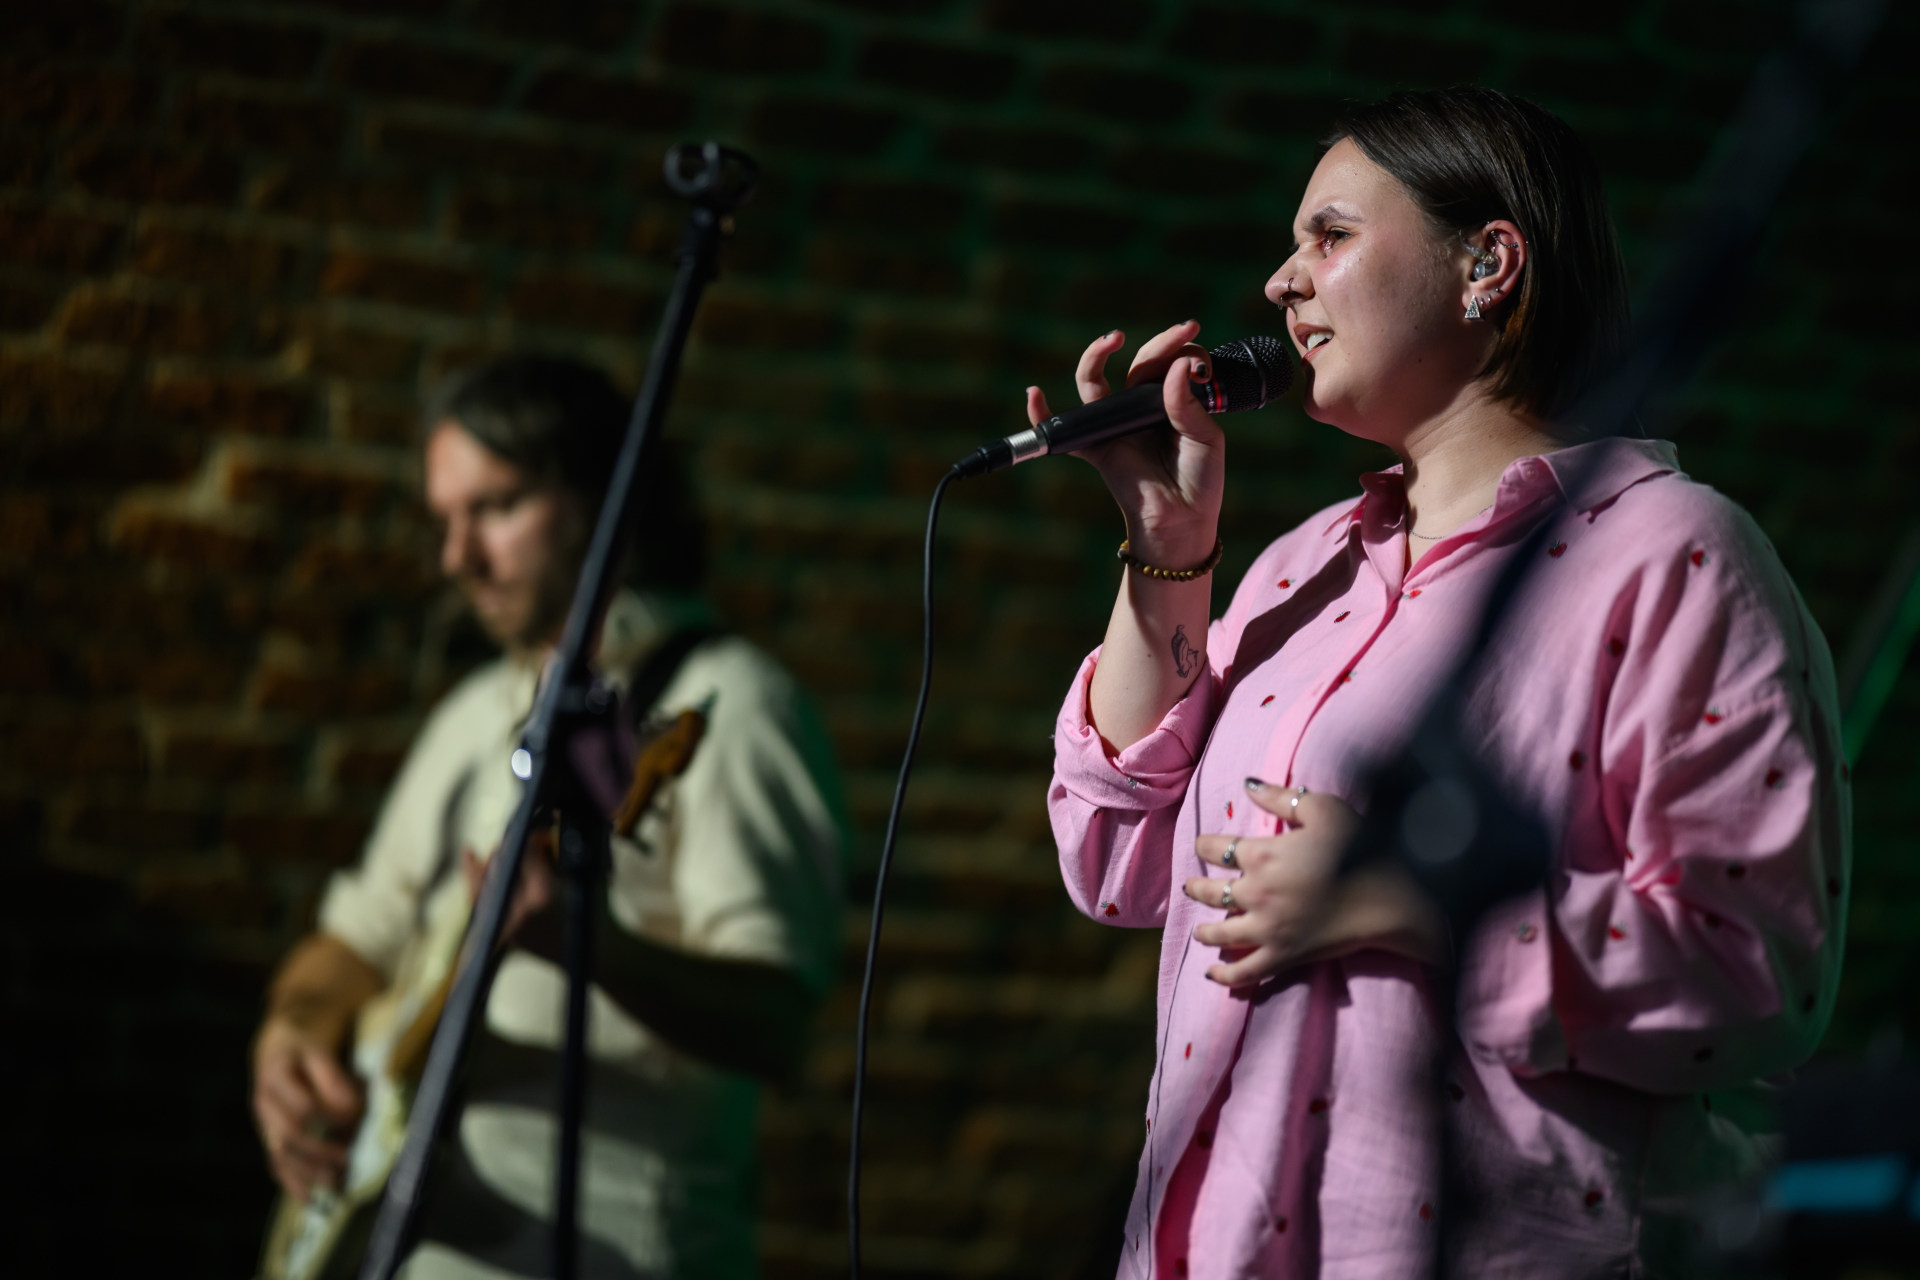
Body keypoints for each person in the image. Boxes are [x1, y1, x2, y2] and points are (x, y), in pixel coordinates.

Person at [1040, 88, 1848, 1278]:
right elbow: (1116, 861)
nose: (1280, 281)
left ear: (1488, 263)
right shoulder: (1301, 566)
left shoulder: (1675, 555)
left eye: (1330, 235)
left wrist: (1413, 896)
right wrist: (1168, 544)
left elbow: (1759, 970)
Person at [250, 355, 847, 1279]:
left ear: (601, 499)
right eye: (446, 521)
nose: (457, 558)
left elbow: (777, 1022)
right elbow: (355, 938)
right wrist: (291, 1036)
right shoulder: (472, 715)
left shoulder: (733, 706)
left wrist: (588, 944)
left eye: (494, 508)